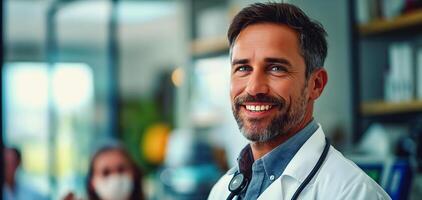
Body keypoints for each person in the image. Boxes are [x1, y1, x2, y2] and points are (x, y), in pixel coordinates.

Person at [208, 3, 391, 200]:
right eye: (243, 68)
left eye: (276, 68)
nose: (254, 88)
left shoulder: (355, 193)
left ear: (316, 84)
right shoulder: (221, 191)